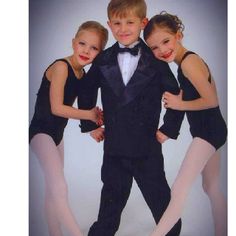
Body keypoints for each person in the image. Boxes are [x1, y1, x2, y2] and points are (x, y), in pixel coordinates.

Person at [77, 1, 184, 236]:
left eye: (130, 22)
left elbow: (175, 93)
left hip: (147, 147)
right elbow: (86, 89)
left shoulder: (155, 59)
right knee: (111, 199)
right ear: (109, 24)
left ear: (143, 23)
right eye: (117, 22)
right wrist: (90, 125)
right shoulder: (103, 59)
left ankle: (171, 232)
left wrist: (168, 128)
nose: (123, 28)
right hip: (114, 147)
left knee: (159, 197)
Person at [144, 11, 227, 236]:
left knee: (180, 188)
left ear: (178, 35)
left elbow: (211, 100)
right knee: (210, 187)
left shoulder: (189, 62)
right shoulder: (184, 63)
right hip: (212, 130)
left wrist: (179, 105)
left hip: (208, 133)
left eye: (166, 41)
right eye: (154, 47)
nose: (162, 50)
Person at [29, 21, 108, 236]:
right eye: (82, 43)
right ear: (73, 42)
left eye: (94, 48)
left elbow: (84, 105)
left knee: (52, 190)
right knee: (60, 187)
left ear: (99, 53)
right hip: (41, 132)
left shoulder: (82, 75)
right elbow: (56, 108)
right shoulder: (61, 67)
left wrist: (93, 128)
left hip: (57, 136)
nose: (86, 50)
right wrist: (90, 115)